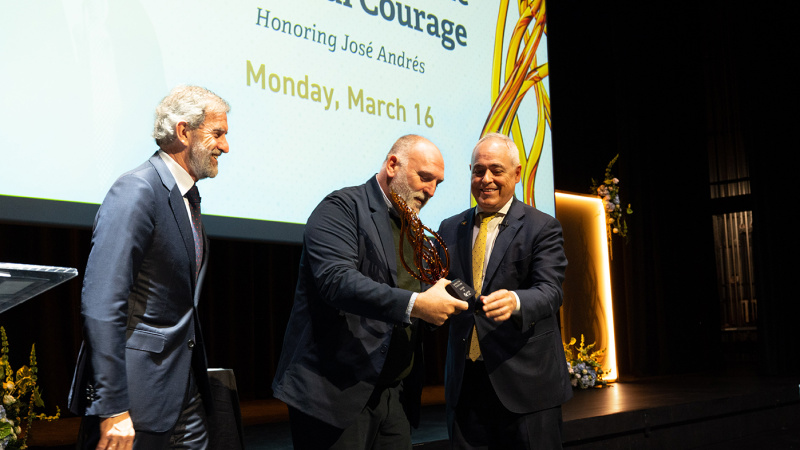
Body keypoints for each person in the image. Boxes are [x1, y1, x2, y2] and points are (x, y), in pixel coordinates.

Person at [272, 134, 469, 449]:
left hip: (395, 397)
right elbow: (336, 280)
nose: (431, 191)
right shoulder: (341, 208)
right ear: (393, 164)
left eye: (438, 183)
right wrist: (417, 304)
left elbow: (413, 296)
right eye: (425, 178)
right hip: (335, 395)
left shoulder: (415, 229)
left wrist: (439, 305)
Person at [68, 85, 230, 449]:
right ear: (184, 132)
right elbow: (102, 302)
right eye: (217, 134)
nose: (225, 146)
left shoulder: (186, 196)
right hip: (136, 399)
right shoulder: (138, 190)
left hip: (183, 391)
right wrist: (112, 408)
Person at [437, 133, 572, 449]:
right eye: (478, 170)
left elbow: (551, 291)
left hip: (527, 386)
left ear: (517, 173)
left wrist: (516, 300)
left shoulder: (542, 226)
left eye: (496, 170)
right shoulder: (448, 228)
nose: (486, 179)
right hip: (465, 387)